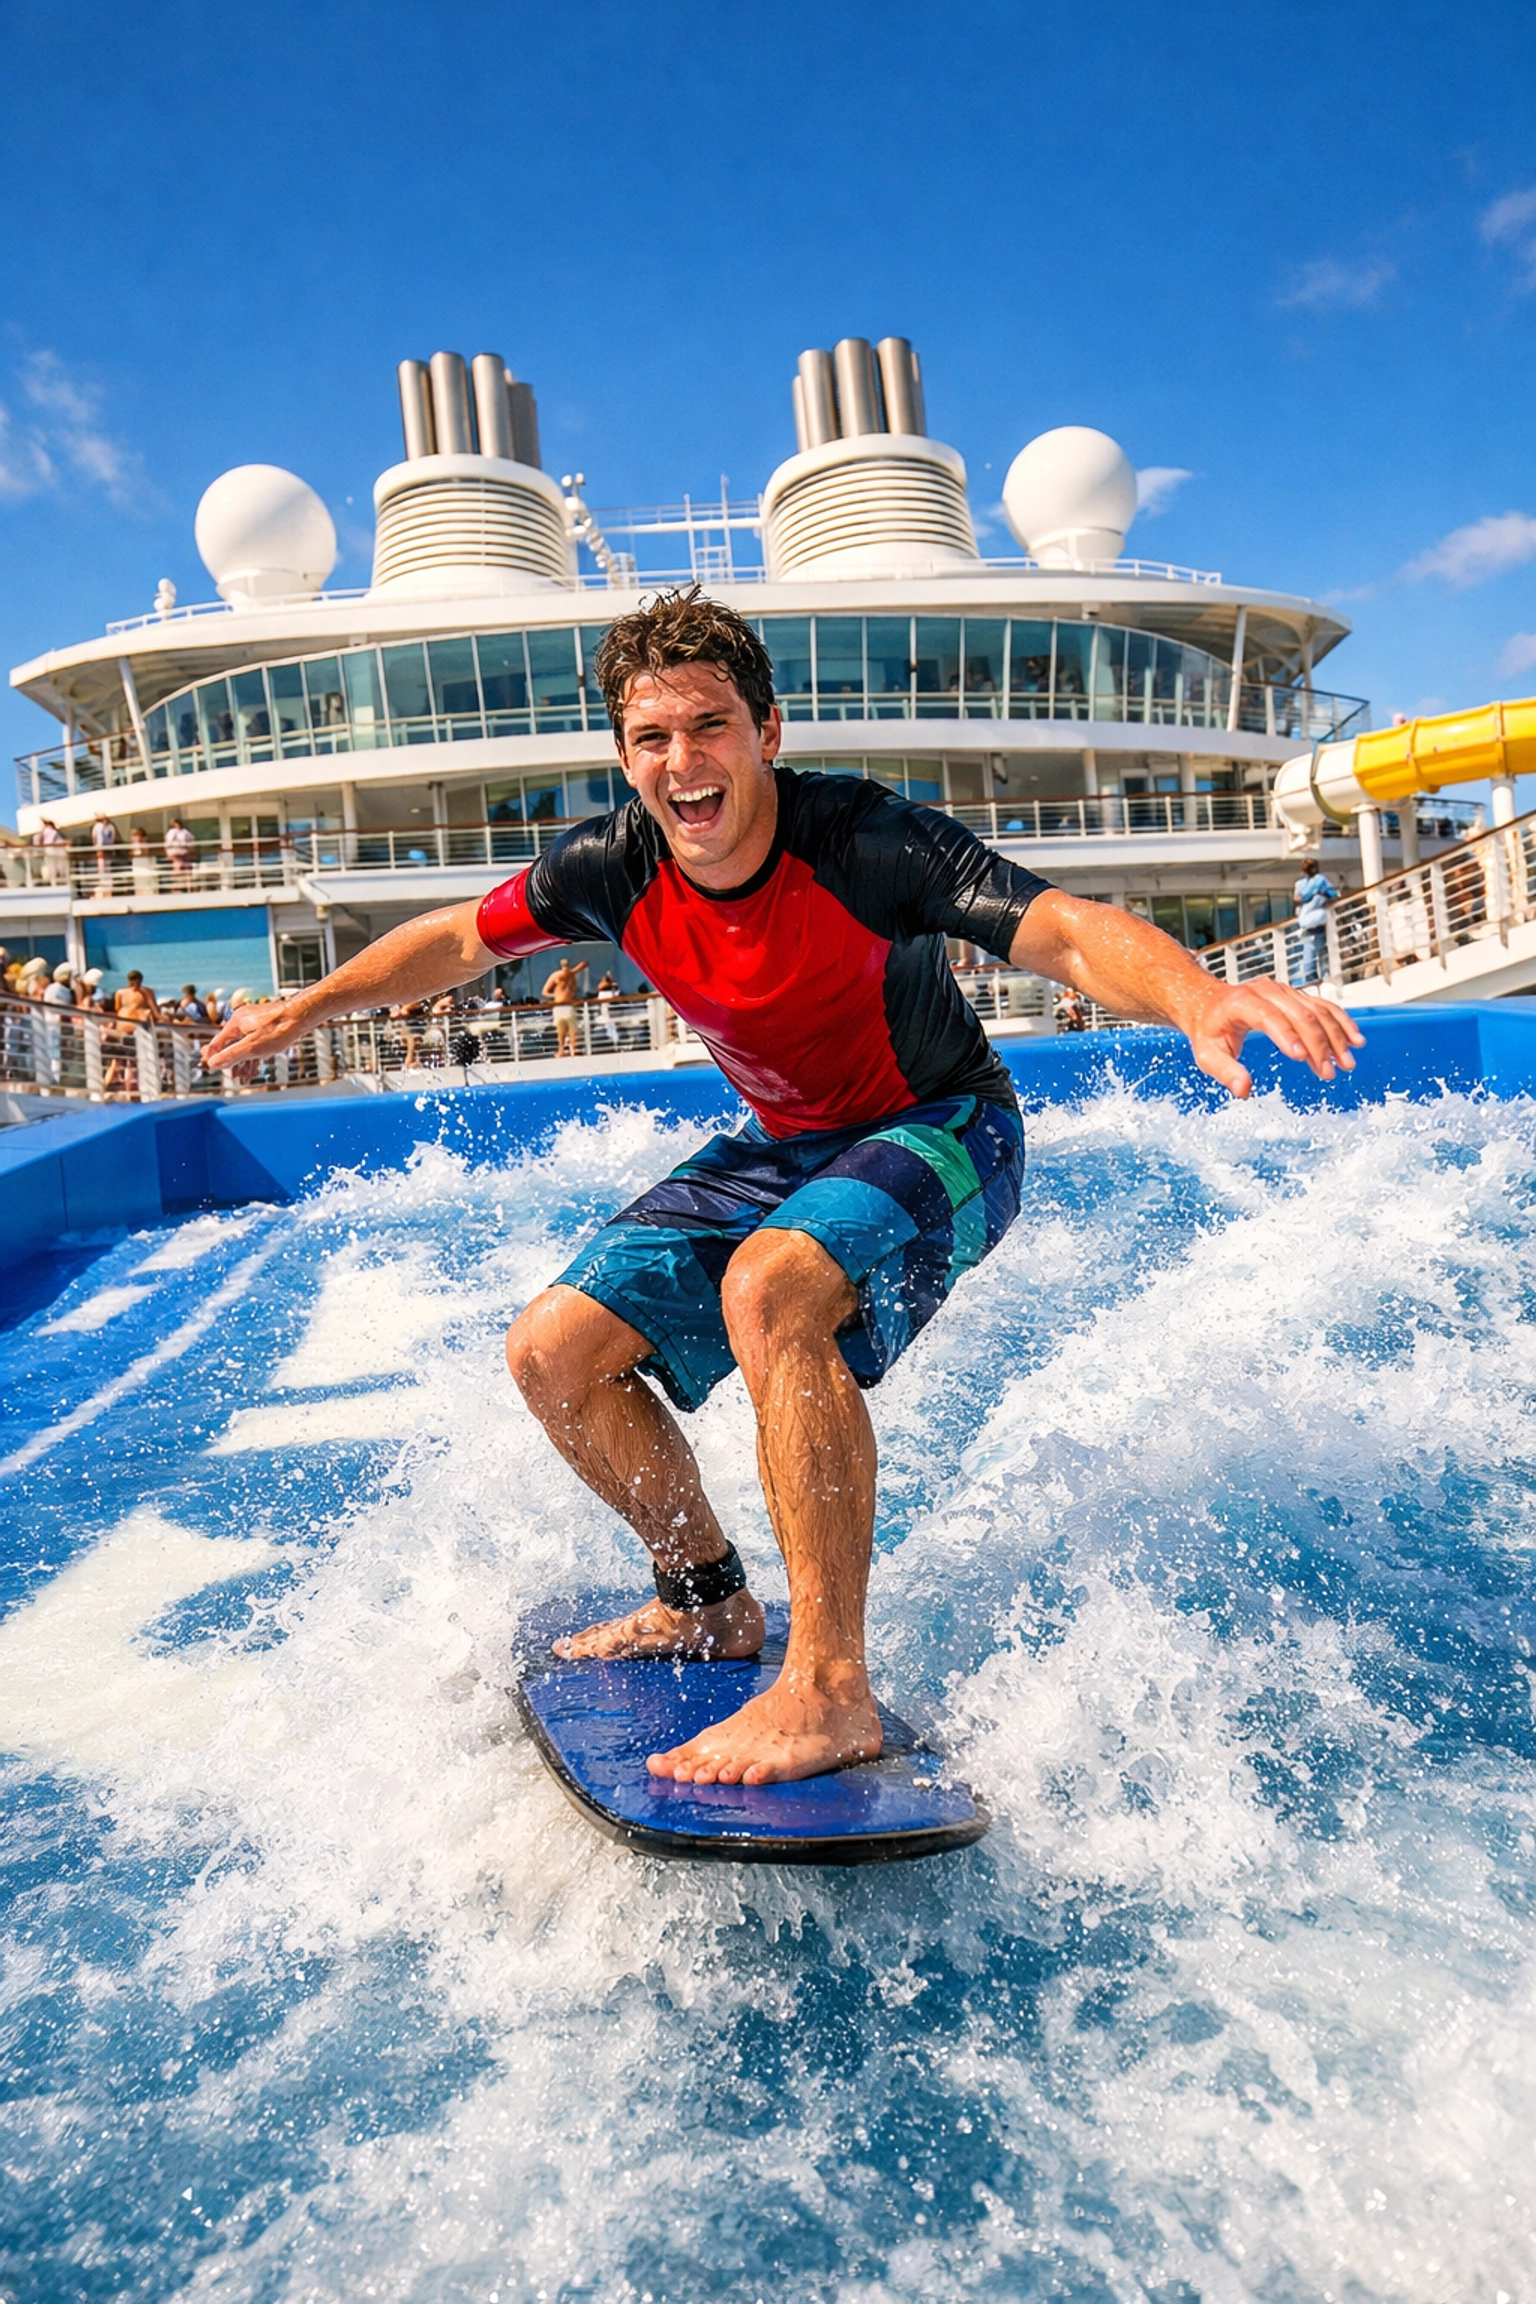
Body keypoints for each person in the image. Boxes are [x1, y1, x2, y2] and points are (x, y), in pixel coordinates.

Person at [206, 589, 1363, 1787]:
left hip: (944, 1126)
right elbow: (458, 937)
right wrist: (307, 1005)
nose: (682, 762)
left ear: (768, 732)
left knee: (773, 1289)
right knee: (552, 1352)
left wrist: (1193, 998)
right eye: (652, 739)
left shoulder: (862, 840)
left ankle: (827, 1690)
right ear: (623, 756)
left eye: (709, 727)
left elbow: (1060, 929)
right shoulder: (613, 865)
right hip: (788, 1141)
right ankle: (704, 1598)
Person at [1293, 856, 1337, 986]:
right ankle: (1324, 976)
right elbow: (1333, 895)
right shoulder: (1321, 881)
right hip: (1320, 920)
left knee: (1309, 952)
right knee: (1322, 952)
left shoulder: (1300, 884)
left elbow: (1296, 897)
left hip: (1306, 922)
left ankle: (1311, 980)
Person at [541, 954, 588, 1056]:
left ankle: (574, 1048)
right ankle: (561, 1049)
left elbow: (576, 969)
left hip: (569, 1004)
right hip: (559, 1005)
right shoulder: (556, 976)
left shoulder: (571, 975)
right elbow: (545, 991)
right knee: (561, 1030)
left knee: (573, 1029)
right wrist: (555, 995)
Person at [165, 817, 197, 881]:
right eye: (175, 824)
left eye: (178, 823)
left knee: (187, 868)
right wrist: (167, 852)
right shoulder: (171, 832)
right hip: (174, 851)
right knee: (178, 866)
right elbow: (168, 843)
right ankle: (175, 885)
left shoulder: (185, 831)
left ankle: (188, 885)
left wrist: (192, 850)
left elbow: (191, 839)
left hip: (184, 851)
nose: (177, 825)